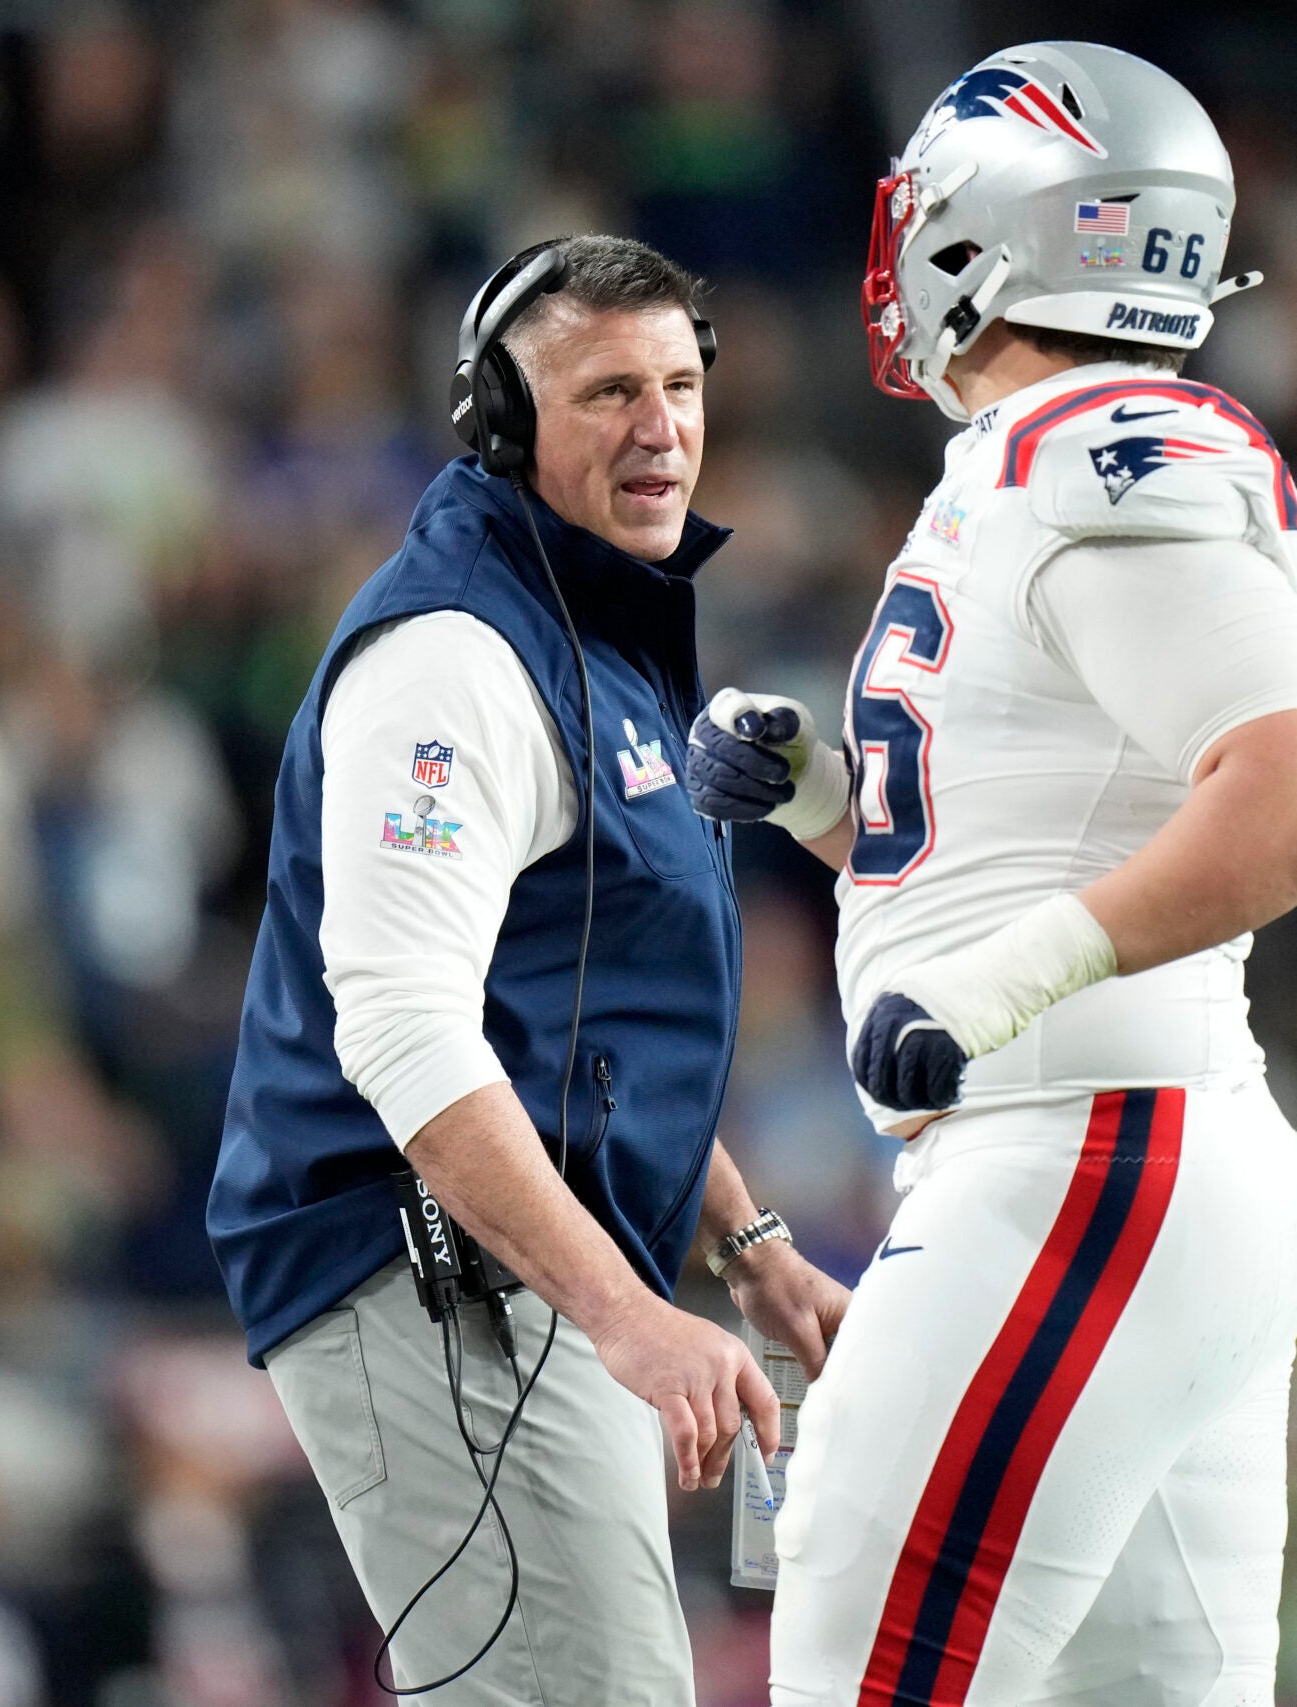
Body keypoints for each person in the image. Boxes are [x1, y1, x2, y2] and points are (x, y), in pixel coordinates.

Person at [687, 44, 1297, 1706]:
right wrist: (821, 807)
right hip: (1118, 1159)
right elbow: (1039, 828)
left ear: (994, 234)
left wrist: (1000, 983)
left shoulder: (1095, 448)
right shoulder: (1031, 464)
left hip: (1088, 1159)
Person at [209, 234, 850, 1704]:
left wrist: (739, 1244)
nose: (663, 426)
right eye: (608, 390)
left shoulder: (600, 633)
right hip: (427, 1281)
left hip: (524, 1273)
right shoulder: (452, 663)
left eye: (682, 384)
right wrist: (632, 1318)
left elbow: (580, 1023)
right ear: (502, 426)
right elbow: (408, 1035)